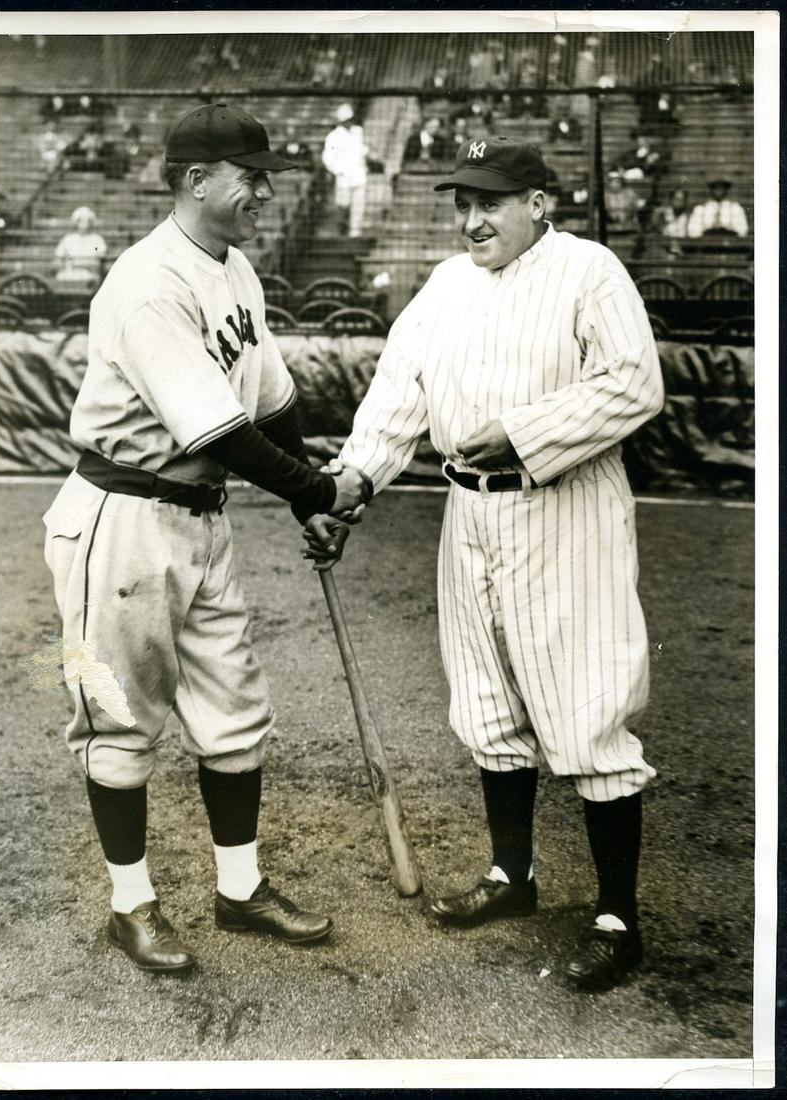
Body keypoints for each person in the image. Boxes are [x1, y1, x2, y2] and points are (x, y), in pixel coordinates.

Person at [310, 137, 664, 992]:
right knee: (484, 700)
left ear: (539, 203)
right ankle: (513, 876)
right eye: (462, 202)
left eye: (492, 201)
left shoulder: (589, 272)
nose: (471, 219)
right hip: (467, 511)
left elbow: (634, 384)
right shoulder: (444, 284)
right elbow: (398, 394)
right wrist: (353, 483)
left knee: (586, 708)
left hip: (564, 504)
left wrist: (523, 429)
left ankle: (617, 918)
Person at [41, 102, 371, 975]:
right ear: (196, 180)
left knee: (235, 715)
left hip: (200, 520)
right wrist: (319, 486)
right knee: (119, 720)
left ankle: (238, 891)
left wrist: (309, 505)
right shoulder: (148, 282)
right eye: (251, 176)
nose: (264, 190)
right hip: (119, 521)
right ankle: (131, 906)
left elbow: (270, 402)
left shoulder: (234, 269)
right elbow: (213, 431)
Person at [321, 103, 369, 238]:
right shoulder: (333, 136)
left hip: (359, 174)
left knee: (359, 205)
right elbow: (327, 158)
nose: (350, 123)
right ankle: (341, 230)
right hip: (344, 176)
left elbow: (362, 149)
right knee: (343, 205)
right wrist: (339, 171)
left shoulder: (358, 132)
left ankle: (355, 233)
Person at [53, 206, 108, 286]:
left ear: (91, 223)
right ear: (77, 223)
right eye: (81, 221)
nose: (84, 224)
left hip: (89, 273)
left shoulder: (97, 239)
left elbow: (101, 258)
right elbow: (58, 257)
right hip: (70, 273)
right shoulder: (68, 239)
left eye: (87, 221)